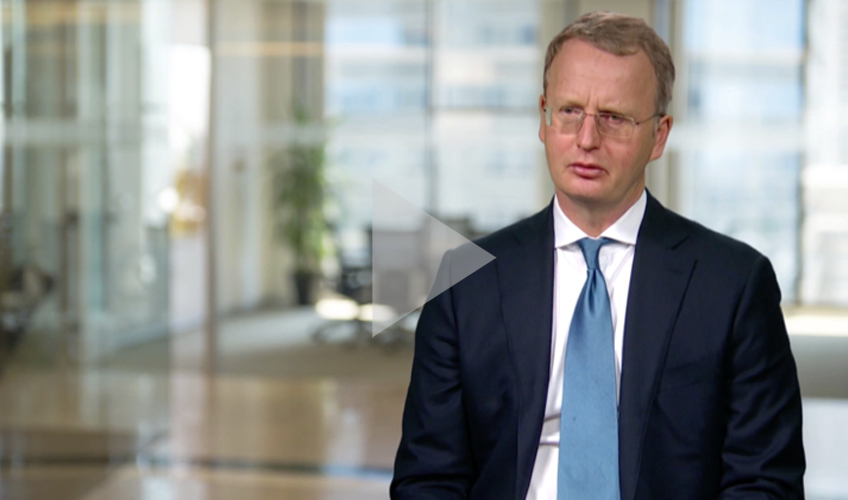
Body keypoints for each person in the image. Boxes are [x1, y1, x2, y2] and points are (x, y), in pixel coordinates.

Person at [390, 10, 805, 500]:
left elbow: (764, 482)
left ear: (659, 135)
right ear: (543, 118)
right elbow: (428, 478)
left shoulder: (733, 286)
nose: (587, 139)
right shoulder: (466, 281)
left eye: (614, 118)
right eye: (569, 111)